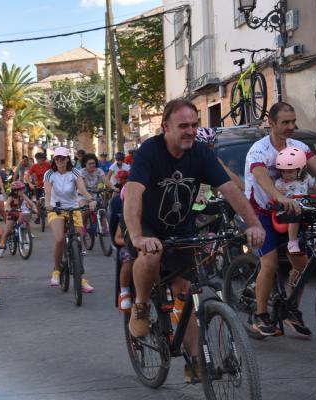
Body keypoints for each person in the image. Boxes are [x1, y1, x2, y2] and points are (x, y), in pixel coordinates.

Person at [124, 98, 265, 381]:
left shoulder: (201, 154)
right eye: (183, 126)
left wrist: (253, 223)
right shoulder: (150, 152)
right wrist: (138, 236)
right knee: (149, 255)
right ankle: (140, 305)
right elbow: (134, 192)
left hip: (181, 229)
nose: (190, 130)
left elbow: (229, 189)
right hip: (148, 226)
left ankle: (196, 362)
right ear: (166, 127)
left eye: (194, 125)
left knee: (186, 291)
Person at [245, 102, 316, 336]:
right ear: (271, 123)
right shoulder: (259, 150)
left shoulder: (298, 146)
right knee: (270, 264)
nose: (291, 126)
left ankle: (291, 309)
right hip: (262, 211)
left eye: (293, 121)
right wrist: (278, 196)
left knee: (301, 264)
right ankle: (260, 315)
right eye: (285, 122)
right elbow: (260, 176)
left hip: (293, 212)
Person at [44, 147, 97, 293]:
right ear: (54, 160)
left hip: (73, 208)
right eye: (57, 158)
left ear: (68, 158)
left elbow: (82, 189)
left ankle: (81, 278)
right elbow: (47, 192)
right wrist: (48, 204)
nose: (60, 160)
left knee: (78, 242)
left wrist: (90, 199)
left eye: (62, 158)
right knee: (60, 239)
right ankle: (56, 270)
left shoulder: (75, 172)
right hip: (56, 210)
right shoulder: (49, 174)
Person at [274, 147, 316, 254]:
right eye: (283, 172)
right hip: (286, 211)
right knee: (296, 215)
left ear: (301, 169)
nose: (285, 174)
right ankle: (292, 242)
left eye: (290, 171)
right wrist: (278, 192)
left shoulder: (306, 177)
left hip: (304, 208)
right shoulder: (279, 182)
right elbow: (274, 196)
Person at [109, 183, 133, 312]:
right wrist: (132, 242)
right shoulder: (125, 217)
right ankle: (124, 292)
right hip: (129, 246)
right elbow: (117, 238)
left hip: (147, 246)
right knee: (129, 260)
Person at [1, 181, 37, 252]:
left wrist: (34, 208)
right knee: (8, 230)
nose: (22, 191)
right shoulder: (11, 197)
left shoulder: (23, 195)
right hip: (12, 212)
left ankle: (26, 240)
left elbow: (31, 202)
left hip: (19, 212)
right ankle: (2, 246)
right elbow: (7, 205)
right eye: (20, 190)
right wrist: (8, 209)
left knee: (25, 223)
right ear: (15, 191)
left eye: (22, 189)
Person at [25, 152, 51, 224]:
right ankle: (38, 216)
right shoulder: (34, 166)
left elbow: (53, 173)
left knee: (49, 200)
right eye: (37, 159)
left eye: (41, 159)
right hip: (38, 185)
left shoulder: (48, 165)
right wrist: (30, 184)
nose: (39, 161)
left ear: (43, 159)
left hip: (48, 185)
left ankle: (51, 214)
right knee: (38, 202)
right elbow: (27, 175)